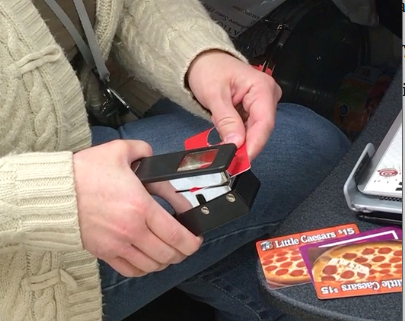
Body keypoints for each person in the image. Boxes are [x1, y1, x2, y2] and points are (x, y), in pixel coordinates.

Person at [0, 0, 351, 320]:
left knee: (250, 221)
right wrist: (45, 197)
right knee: (307, 150)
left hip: (90, 118)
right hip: (25, 234)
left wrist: (198, 56)